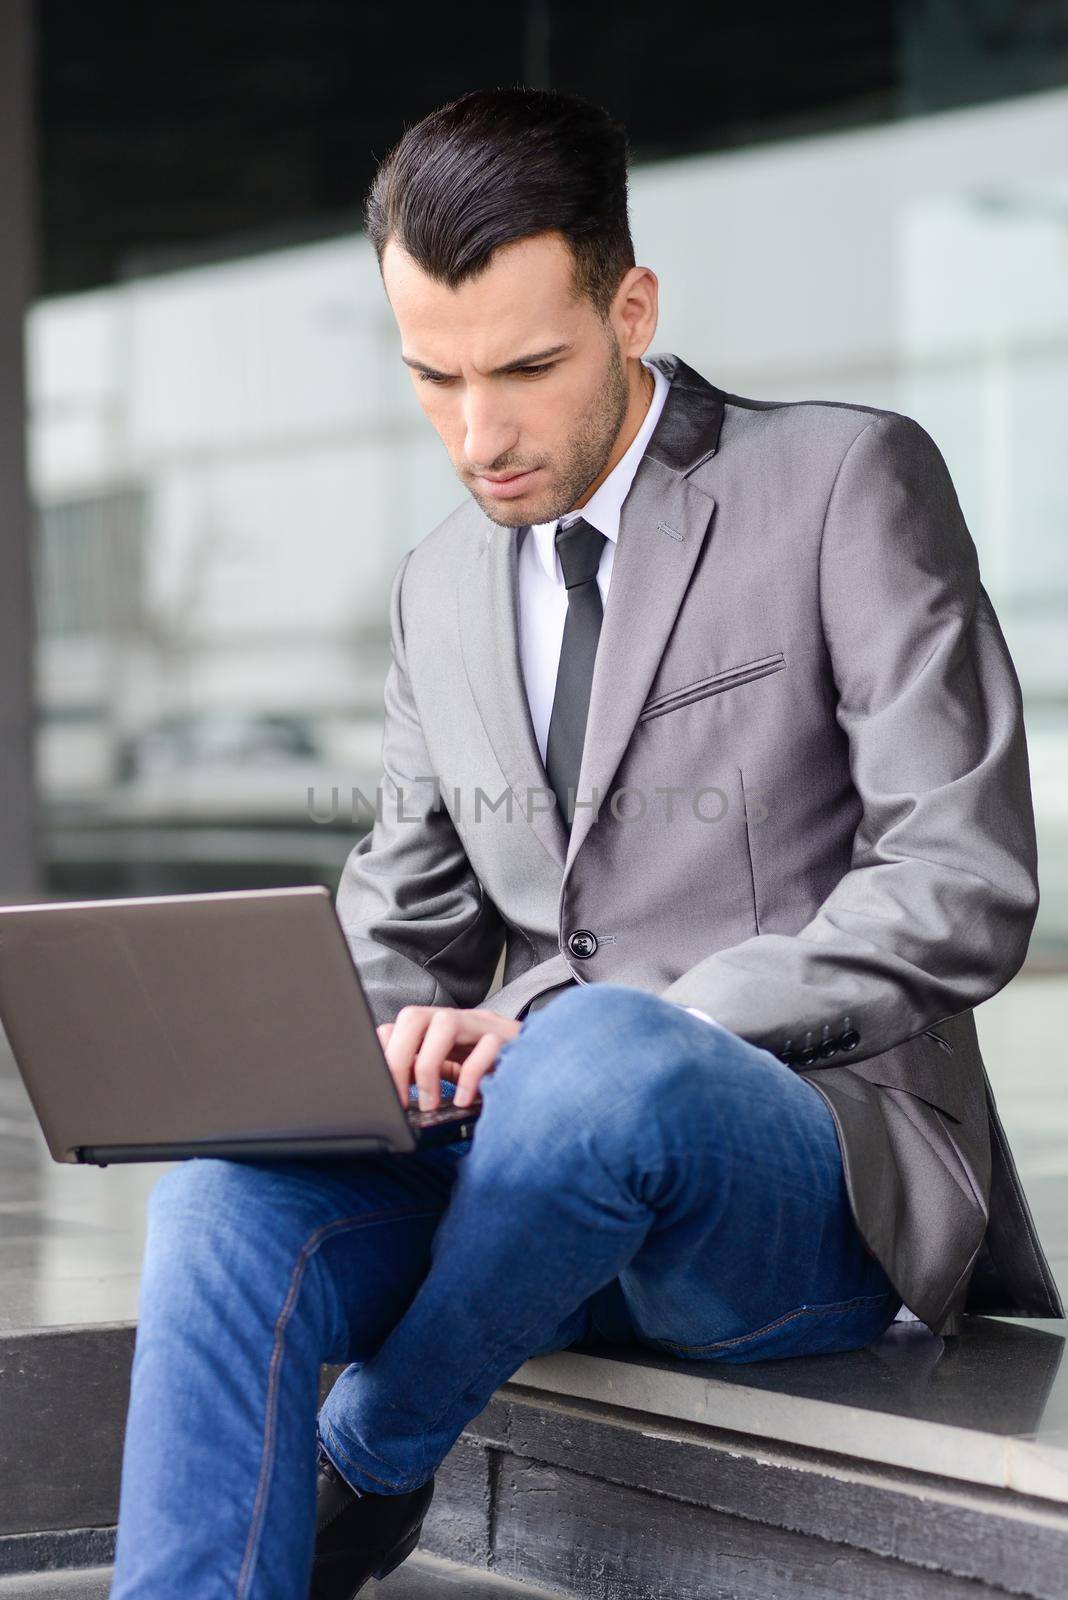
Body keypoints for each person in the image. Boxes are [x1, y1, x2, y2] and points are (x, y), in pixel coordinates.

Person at [109, 86, 1062, 1600]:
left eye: (528, 368)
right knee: (220, 1208)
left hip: (794, 1190)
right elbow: (403, 932)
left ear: (631, 308)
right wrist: (374, 1040)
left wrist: (618, 1028)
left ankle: (374, 1454)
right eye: (432, 377)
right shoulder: (438, 587)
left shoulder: (840, 482)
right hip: (526, 1195)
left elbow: (961, 882)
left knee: (604, 1053)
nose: (477, 434)